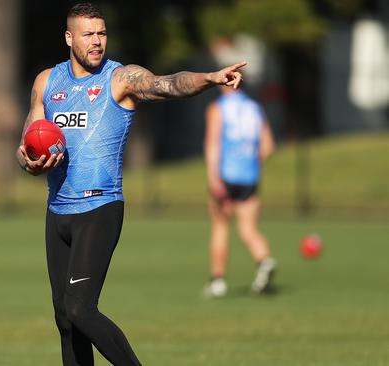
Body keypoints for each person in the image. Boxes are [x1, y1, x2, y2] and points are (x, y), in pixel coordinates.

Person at [15, 3, 245, 365]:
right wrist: (29, 162)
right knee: (65, 319)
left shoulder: (120, 78)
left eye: (102, 33)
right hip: (57, 209)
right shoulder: (47, 81)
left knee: (79, 309)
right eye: (88, 34)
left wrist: (209, 78)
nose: (97, 42)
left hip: (100, 207)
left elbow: (167, 85)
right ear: (69, 37)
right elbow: (28, 140)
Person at [203, 85, 276, 298]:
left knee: (220, 227)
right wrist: (251, 162)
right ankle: (264, 260)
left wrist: (214, 179)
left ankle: (217, 281)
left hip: (225, 176)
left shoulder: (218, 108)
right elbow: (268, 146)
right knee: (248, 228)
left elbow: (213, 145)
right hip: (250, 176)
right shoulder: (255, 108)